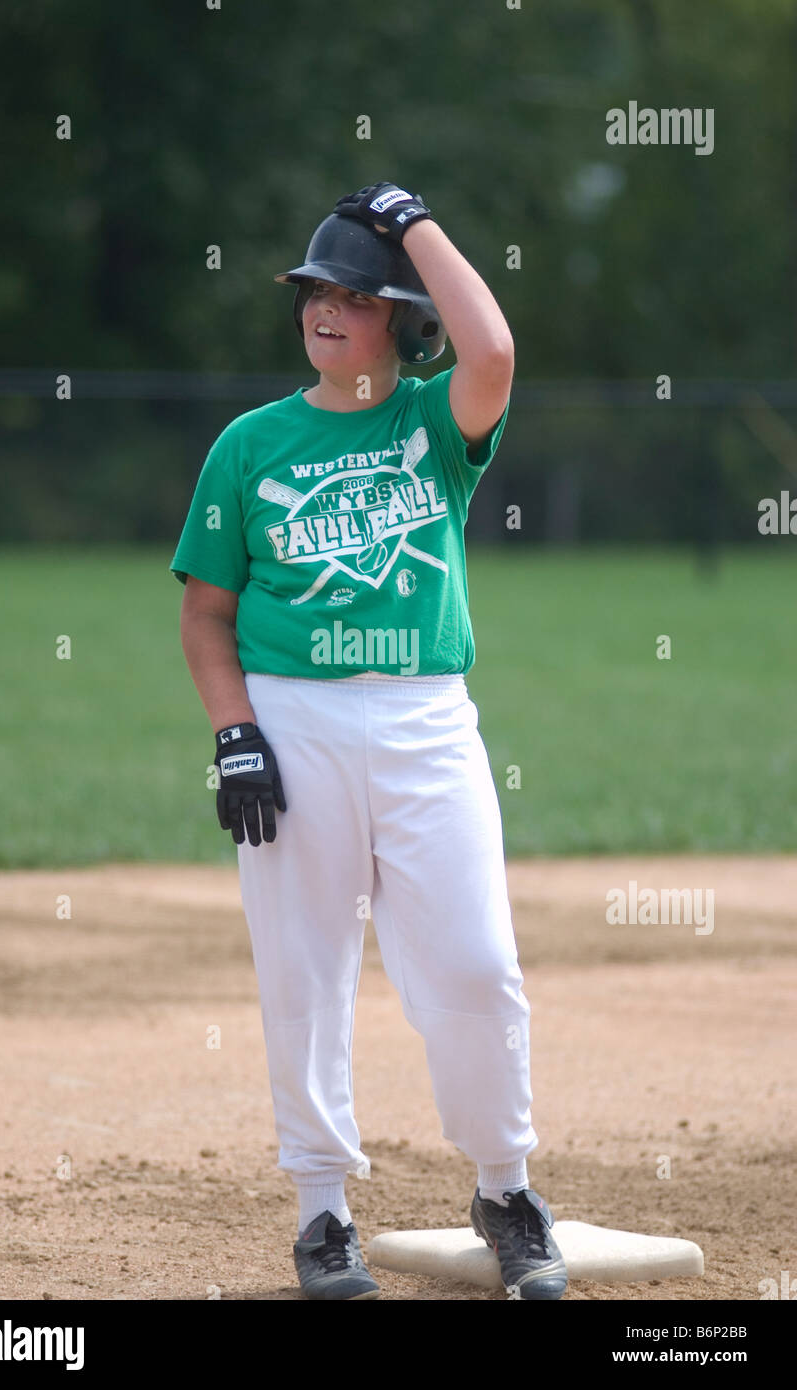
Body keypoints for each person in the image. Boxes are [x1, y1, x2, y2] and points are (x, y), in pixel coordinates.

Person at [170, 182, 567, 1301]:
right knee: (304, 971)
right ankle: (323, 1215)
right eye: (315, 294)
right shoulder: (251, 445)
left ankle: (504, 1187)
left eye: (356, 296)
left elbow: (493, 345)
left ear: (401, 315)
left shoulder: (433, 425)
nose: (326, 312)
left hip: (426, 715)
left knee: (477, 966)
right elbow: (205, 611)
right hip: (292, 719)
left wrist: (415, 225)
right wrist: (235, 732)